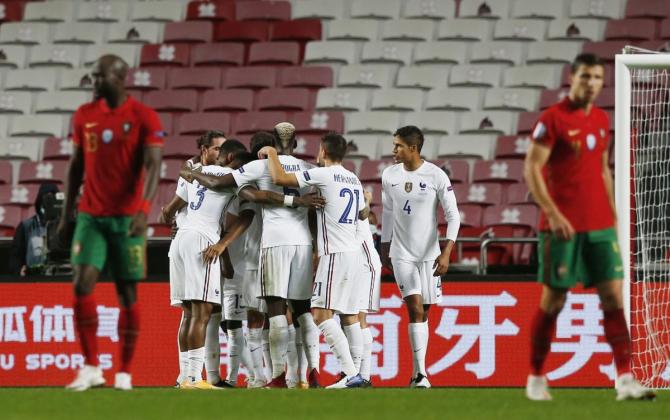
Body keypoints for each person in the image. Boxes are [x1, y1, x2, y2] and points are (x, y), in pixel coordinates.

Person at [523, 53, 655, 401]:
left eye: (597, 77)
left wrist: (612, 214)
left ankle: (626, 378)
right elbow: (532, 169)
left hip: (598, 226)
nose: (591, 83)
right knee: (554, 300)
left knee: (613, 297)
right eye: (585, 77)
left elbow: (602, 170)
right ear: (573, 78)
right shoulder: (552, 119)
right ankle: (536, 377)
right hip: (562, 228)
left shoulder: (600, 118)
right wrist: (552, 214)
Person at [181, 123, 324, 388]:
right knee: (303, 310)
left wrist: (192, 173)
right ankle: (308, 372)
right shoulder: (310, 170)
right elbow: (319, 208)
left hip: (274, 243)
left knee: (275, 309)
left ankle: (280, 375)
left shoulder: (260, 166)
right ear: (295, 144)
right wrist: (317, 246)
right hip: (304, 243)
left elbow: (219, 181)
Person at [57, 54, 164, 391]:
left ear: (120, 78)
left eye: (99, 76)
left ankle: (124, 372)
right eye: (93, 76)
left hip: (127, 218)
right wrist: (65, 215)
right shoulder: (84, 116)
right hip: (91, 216)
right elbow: (76, 166)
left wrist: (143, 210)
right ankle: (90, 367)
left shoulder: (143, 116)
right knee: (81, 283)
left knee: (126, 292)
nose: (94, 81)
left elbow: (154, 166)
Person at [260, 132, 369, 388]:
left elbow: (278, 178)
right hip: (353, 252)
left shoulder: (323, 174)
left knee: (320, 314)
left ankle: (351, 374)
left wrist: (273, 153)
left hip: (335, 254)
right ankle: (356, 374)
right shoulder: (353, 178)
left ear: (324, 151)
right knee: (349, 315)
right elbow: (362, 212)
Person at [380, 125, 460, 388]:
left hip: (430, 255)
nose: (394, 150)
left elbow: (453, 216)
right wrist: (385, 245)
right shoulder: (389, 175)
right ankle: (422, 374)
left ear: (412, 148)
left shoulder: (436, 176)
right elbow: (388, 212)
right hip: (401, 253)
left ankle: (417, 373)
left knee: (424, 312)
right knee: (414, 307)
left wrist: (446, 252)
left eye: (398, 146)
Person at [160, 130, 225, 388]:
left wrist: (173, 215)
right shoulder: (222, 174)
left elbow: (168, 212)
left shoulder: (190, 173)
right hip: (201, 241)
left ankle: (185, 376)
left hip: (180, 242)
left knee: (188, 313)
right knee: (201, 313)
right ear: (204, 150)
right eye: (217, 149)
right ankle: (195, 378)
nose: (221, 153)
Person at [10, 182, 59, 276]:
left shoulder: (65, 227)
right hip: (32, 279)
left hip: (59, 279)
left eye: (53, 198)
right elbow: (15, 257)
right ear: (40, 201)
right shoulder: (25, 226)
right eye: (46, 198)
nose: (49, 203)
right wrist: (19, 270)